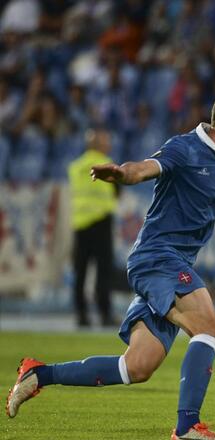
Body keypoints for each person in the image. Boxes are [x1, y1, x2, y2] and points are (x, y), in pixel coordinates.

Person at [6, 86, 215, 440]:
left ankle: (38, 374)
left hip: (175, 264)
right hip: (157, 257)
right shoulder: (185, 148)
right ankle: (188, 427)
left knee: (135, 367)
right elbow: (143, 169)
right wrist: (122, 174)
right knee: (210, 327)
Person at [67, 128, 119, 328]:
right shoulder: (107, 165)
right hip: (101, 221)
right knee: (103, 270)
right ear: (99, 145)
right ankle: (105, 313)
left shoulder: (76, 166)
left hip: (80, 223)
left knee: (80, 271)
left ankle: (81, 314)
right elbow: (117, 190)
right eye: (106, 141)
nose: (109, 145)